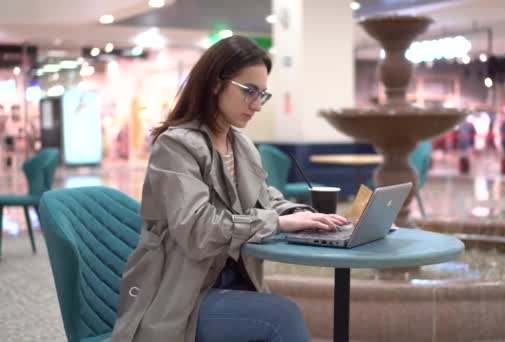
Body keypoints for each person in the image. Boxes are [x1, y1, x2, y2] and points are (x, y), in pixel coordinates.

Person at [108, 36, 348, 342]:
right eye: (250, 91)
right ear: (215, 83)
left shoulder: (241, 145)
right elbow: (196, 228)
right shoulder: (175, 145)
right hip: (182, 298)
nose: (257, 105)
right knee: (282, 316)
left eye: (263, 94)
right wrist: (278, 222)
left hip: (230, 284)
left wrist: (304, 215)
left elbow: (266, 198)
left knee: (280, 314)